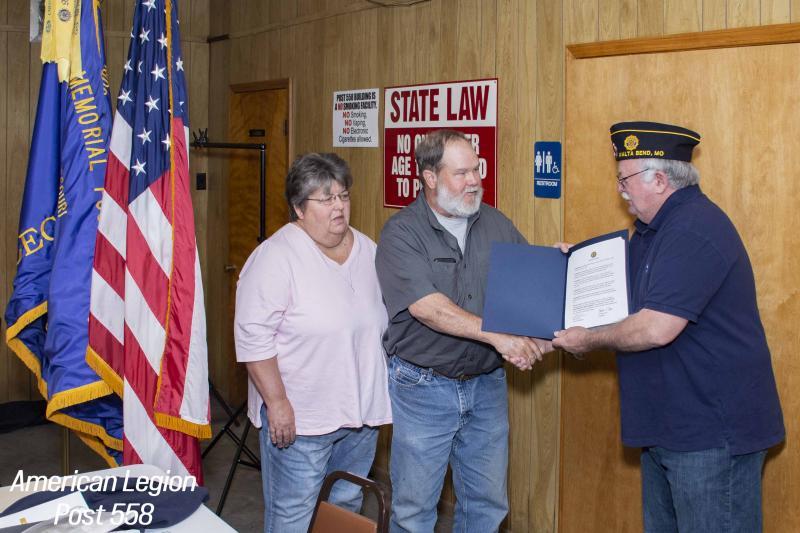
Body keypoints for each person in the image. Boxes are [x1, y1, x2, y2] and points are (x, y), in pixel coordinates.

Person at [553, 121, 784, 532]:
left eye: (624, 180)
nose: (620, 190)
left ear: (659, 179)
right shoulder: (652, 231)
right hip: (671, 427)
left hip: (710, 435)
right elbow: (626, 288)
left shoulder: (695, 228)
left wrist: (588, 340)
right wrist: (581, 262)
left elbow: (656, 327)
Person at [375, 129, 551, 532]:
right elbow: (428, 308)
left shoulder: (494, 222)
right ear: (430, 177)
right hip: (422, 387)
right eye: (462, 173)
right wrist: (499, 337)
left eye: (477, 170)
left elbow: (528, 283)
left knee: (487, 506)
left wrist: (563, 265)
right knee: (416, 510)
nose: (474, 181)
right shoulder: (401, 233)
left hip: (486, 385)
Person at [234, 153, 392, 533]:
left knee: (346, 509)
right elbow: (254, 339)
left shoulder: (368, 250)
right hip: (302, 420)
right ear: (299, 209)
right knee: (294, 515)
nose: (339, 206)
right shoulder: (275, 257)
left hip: (360, 417)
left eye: (343, 195)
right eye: (326, 199)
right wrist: (278, 405)